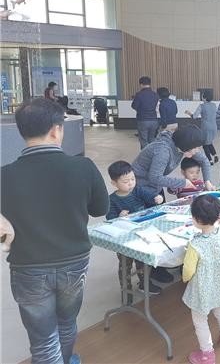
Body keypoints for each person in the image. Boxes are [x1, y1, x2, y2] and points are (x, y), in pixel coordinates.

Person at [1, 98, 109, 364]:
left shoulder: (4, 175)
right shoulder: (83, 167)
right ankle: (67, 358)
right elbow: (100, 209)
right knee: (67, 321)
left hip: (28, 266)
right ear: (56, 129)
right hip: (74, 261)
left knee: (42, 338)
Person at [182, 194, 220, 364]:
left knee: (199, 319)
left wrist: (185, 279)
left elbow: (188, 270)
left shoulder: (195, 244)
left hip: (202, 288)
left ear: (197, 220)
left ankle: (207, 354)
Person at [106, 161, 165, 296]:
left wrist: (157, 198)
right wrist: (118, 217)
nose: (131, 183)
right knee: (125, 266)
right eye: (125, 181)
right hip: (124, 238)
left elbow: (151, 197)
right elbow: (110, 218)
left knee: (143, 261)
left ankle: (145, 284)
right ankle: (126, 292)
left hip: (142, 234)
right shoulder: (112, 200)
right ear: (114, 183)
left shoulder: (138, 190)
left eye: (133, 179)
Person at [132, 124, 215, 196]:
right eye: (196, 147)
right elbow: (155, 177)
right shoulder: (163, 151)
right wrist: (183, 183)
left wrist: (207, 181)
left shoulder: (183, 145)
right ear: (186, 145)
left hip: (155, 186)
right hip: (141, 187)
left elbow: (204, 161)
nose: (197, 150)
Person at [187, 90, 218, 165]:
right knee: (209, 142)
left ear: (204, 97)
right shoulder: (214, 105)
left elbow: (194, 117)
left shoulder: (202, 106)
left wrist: (189, 113)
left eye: (202, 95)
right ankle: (215, 155)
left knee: (205, 144)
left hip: (206, 127)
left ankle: (210, 161)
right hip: (214, 126)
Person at [132, 76, 159, 149]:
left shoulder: (139, 94)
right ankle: (152, 154)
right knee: (152, 139)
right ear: (150, 84)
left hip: (143, 120)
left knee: (144, 140)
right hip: (154, 120)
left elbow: (134, 106)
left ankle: (145, 155)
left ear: (141, 84)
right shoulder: (155, 94)